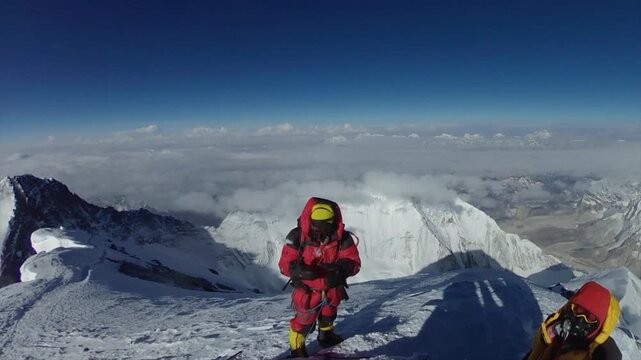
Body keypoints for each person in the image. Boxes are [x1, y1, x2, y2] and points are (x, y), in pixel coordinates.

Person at [278, 197, 361, 358]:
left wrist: (340, 270)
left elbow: (354, 262)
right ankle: (297, 349)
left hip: (332, 286)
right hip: (307, 289)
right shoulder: (297, 236)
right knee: (303, 320)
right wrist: (299, 271)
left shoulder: (342, 238)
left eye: (325, 226)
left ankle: (326, 336)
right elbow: (284, 264)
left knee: (329, 312)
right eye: (317, 226)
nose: (321, 231)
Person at [522, 281, 622, 360]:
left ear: (600, 324)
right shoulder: (554, 330)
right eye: (579, 310)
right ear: (570, 306)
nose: (581, 319)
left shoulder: (605, 354)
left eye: (591, 317)